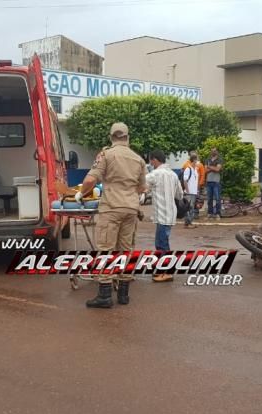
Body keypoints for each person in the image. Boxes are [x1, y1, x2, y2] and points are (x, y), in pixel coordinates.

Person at [76, 123, 146, 308]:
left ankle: (105, 296)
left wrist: (80, 194)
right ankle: (123, 295)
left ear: (111, 137)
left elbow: (91, 179)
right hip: (131, 209)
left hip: (111, 208)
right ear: (127, 136)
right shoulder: (138, 159)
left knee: (106, 250)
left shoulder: (106, 155)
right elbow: (142, 188)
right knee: (126, 250)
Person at [145, 150, 183, 283]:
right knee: (163, 243)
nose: (151, 163)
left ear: (155, 160)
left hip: (161, 215)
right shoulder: (173, 175)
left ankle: (166, 272)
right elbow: (180, 195)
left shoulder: (154, 174)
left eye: (151, 161)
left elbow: (141, 187)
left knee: (161, 245)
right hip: (171, 214)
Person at [182, 152, 200, 229]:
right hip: (189, 192)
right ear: (194, 160)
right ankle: (187, 223)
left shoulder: (195, 170)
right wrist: (188, 191)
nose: (198, 162)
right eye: (197, 160)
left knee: (191, 208)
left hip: (194, 192)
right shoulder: (188, 169)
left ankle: (190, 222)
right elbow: (185, 180)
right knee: (189, 208)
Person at [205, 149, 222, 219]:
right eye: (212, 151)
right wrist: (214, 168)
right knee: (209, 199)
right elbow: (205, 170)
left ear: (217, 152)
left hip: (216, 181)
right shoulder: (207, 160)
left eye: (215, 151)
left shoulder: (219, 160)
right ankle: (210, 213)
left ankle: (218, 214)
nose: (213, 152)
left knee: (217, 199)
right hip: (209, 181)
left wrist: (209, 167)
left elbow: (218, 169)